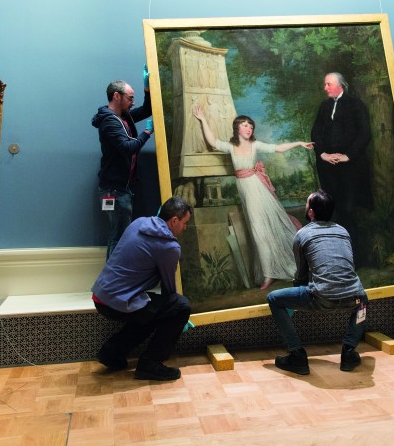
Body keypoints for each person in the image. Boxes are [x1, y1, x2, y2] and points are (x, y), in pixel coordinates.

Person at [192, 105, 314, 289]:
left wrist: (299, 143)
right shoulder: (231, 146)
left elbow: (278, 148)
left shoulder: (255, 145)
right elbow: (212, 142)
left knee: (264, 231)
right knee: (259, 233)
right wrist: (203, 120)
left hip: (258, 190)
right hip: (246, 191)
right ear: (237, 128)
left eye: (251, 126)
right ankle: (269, 272)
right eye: (245, 125)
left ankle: (271, 273)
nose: (249, 129)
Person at [267, 189, 369, 375]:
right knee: (363, 301)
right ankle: (348, 352)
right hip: (354, 296)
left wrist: (295, 299)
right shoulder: (343, 231)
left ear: (311, 212)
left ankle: (297, 354)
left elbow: (301, 275)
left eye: (307, 204)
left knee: (274, 298)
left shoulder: (303, 234)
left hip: (322, 297)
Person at [91, 196, 193, 381]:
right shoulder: (169, 246)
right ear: (174, 220)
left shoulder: (139, 222)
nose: (185, 228)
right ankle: (151, 364)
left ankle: (112, 352)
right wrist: (179, 318)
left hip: (100, 296)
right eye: (185, 223)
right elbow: (169, 289)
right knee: (180, 306)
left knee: (153, 309)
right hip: (117, 302)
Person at [92, 66, 153, 259]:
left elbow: (147, 109)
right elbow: (127, 147)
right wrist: (146, 133)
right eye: (130, 98)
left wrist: (147, 88)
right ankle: (111, 285)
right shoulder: (109, 121)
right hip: (114, 190)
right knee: (119, 236)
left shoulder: (123, 116)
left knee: (120, 234)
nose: (133, 102)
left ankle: (114, 282)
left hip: (120, 188)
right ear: (116, 96)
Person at [310, 72, 371, 238]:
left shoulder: (356, 104)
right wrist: (323, 154)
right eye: (325, 84)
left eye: (328, 84)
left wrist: (347, 156)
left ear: (340, 85)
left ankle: (356, 255)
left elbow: (364, 134)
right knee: (333, 210)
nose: (325, 88)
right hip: (328, 168)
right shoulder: (324, 106)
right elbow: (315, 133)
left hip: (351, 168)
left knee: (350, 210)